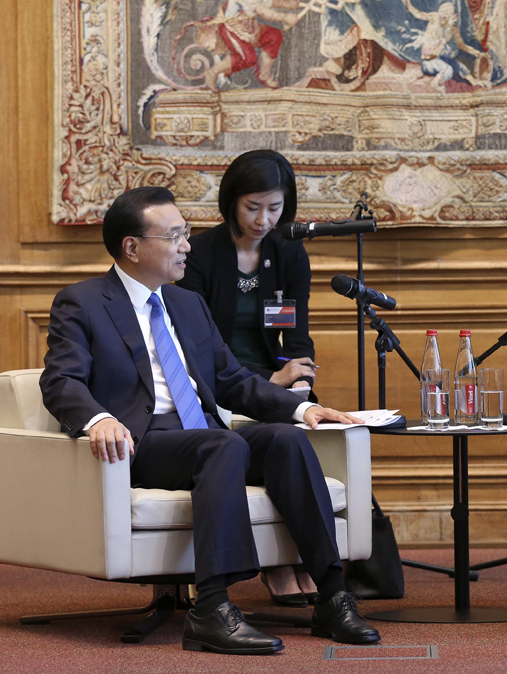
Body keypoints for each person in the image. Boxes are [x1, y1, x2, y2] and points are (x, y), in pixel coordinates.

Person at [40, 186, 381, 655]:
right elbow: (60, 380)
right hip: (141, 442)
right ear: (132, 247)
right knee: (224, 445)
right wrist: (98, 418)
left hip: (204, 439)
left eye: (187, 233)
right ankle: (212, 609)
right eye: (175, 236)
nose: (187, 246)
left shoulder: (186, 304)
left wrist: (302, 409)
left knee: (285, 440)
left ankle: (332, 595)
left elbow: (230, 379)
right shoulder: (82, 302)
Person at [178, 149, 321, 607]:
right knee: (275, 429)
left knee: (306, 424)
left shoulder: (288, 251)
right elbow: (195, 344)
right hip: (215, 381)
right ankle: (278, 563)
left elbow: (296, 334)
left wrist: (299, 381)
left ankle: (301, 554)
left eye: (274, 208)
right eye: (252, 207)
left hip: (274, 373)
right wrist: (269, 384)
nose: (263, 219)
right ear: (231, 202)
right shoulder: (200, 254)